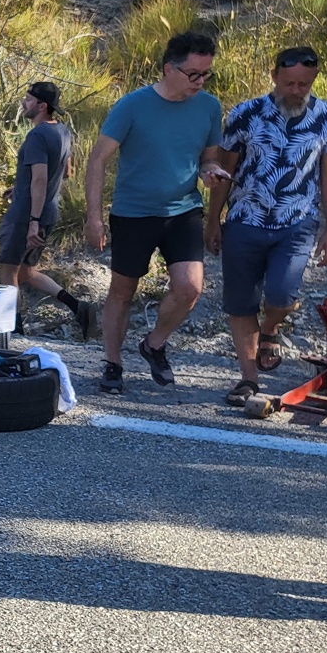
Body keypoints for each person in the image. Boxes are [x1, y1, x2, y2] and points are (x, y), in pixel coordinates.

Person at [85, 30, 232, 393]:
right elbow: (98, 159)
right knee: (123, 290)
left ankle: (154, 344)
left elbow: (207, 159)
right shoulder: (132, 105)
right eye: (193, 74)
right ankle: (113, 363)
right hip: (133, 212)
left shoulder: (209, 107)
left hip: (183, 210)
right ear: (169, 69)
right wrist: (94, 217)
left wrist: (211, 171)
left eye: (206, 74)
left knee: (190, 287)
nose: (200, 81)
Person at [205, 46, 327, 406]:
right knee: (241, 303)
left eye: (303, 84)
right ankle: (248, 379)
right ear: (274, 77)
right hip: (246, 219)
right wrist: (213, 220)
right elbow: (225, 171)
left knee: (283, 294)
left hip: (297, 221)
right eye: (289, 84)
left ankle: (270, 328)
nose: (296, 91)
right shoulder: (246, 113)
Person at [0, 81, 94, 337]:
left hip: (26, 216)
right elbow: (66, 172)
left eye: (28, 99)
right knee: (26, 272)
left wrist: (33, 221)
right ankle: (78, 307)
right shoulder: (62, 131)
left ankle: (12, 329)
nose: (24, 103)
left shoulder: (37, 136)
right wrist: (21, 186)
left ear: (42, 106)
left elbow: (40, 178)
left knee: (7, 270)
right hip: (49, 212)